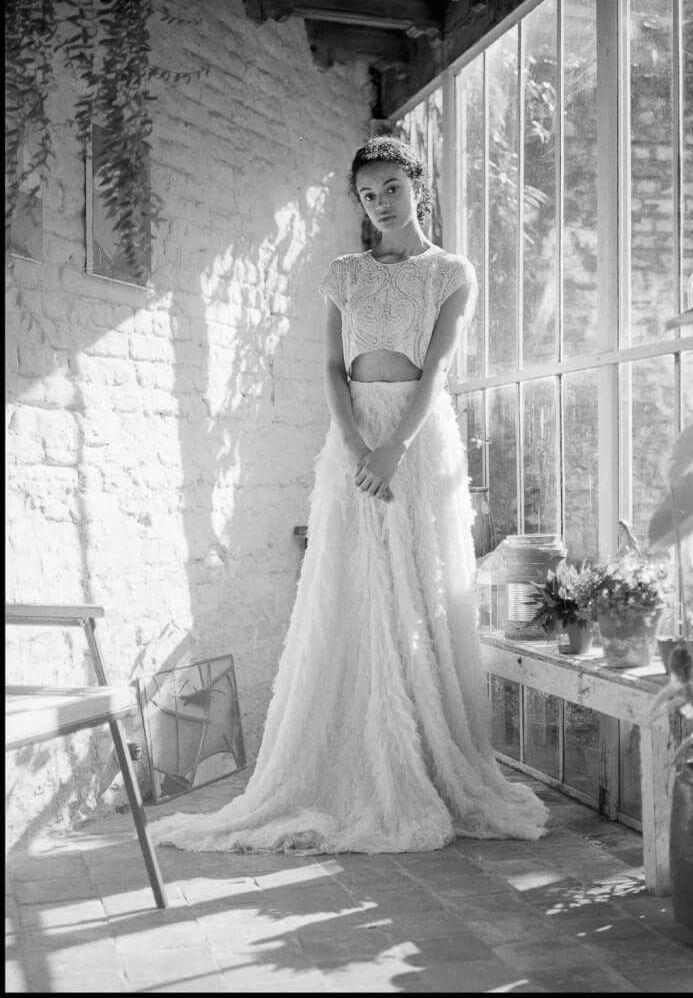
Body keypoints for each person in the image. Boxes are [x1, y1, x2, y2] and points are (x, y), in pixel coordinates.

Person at [150, 137, 549, 853]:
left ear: (416, 185)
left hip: (418, 438)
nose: (381, 202)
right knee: (349, 585)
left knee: (417, 582)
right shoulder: (344, 274)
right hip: (352, 437)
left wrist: (395, 448)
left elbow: (435, 370)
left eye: (392, 187)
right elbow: (333, 369)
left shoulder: (450, 272)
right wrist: (360, 447)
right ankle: (347, 759)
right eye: (368, 194)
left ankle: (427, 758)